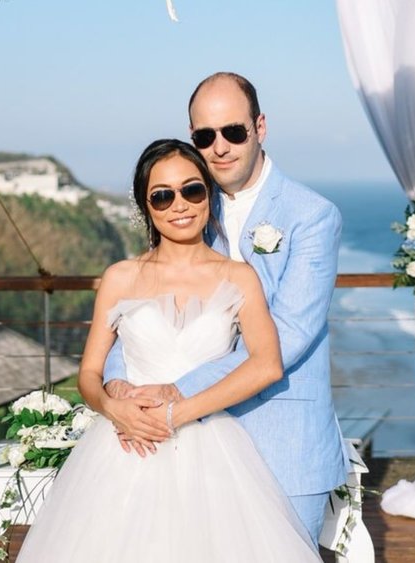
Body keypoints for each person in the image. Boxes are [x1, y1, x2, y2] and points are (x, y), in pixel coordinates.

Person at [15, 139, 322, 562]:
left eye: (191, 190)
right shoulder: (121, 277)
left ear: (208, 194)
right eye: (162, 196)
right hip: (125, 446)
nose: (179, 205)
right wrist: (111, 406)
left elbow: (267, 365)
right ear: (147, 207)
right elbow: (88, 374)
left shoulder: (239, 277)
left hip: (211, 448)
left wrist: (180, 412)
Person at [102, 72, 348, 544]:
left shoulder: (312, 215)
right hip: (188, 448)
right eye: (204, 136)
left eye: (234, 131)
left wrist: (174, 393)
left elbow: (289, 336)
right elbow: (140, 303)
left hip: (281, 437)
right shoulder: (187, 202)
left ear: (260, 127)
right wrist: (121, 384)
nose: (220, 147)